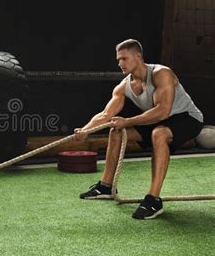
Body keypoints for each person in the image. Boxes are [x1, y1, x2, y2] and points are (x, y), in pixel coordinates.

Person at [76, 39, 203, 220]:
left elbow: (163, 110)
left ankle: (153, 200)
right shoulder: (124, 86)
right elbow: (106, 114)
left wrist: (127, 121)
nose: (120, 63)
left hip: (187, 118)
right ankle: (106, 186)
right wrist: (85, 130)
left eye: (124, 59)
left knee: (158, 133)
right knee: (116, 131)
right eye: (118, 60)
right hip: (157, 118)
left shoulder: (161, 73)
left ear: (138, 56)